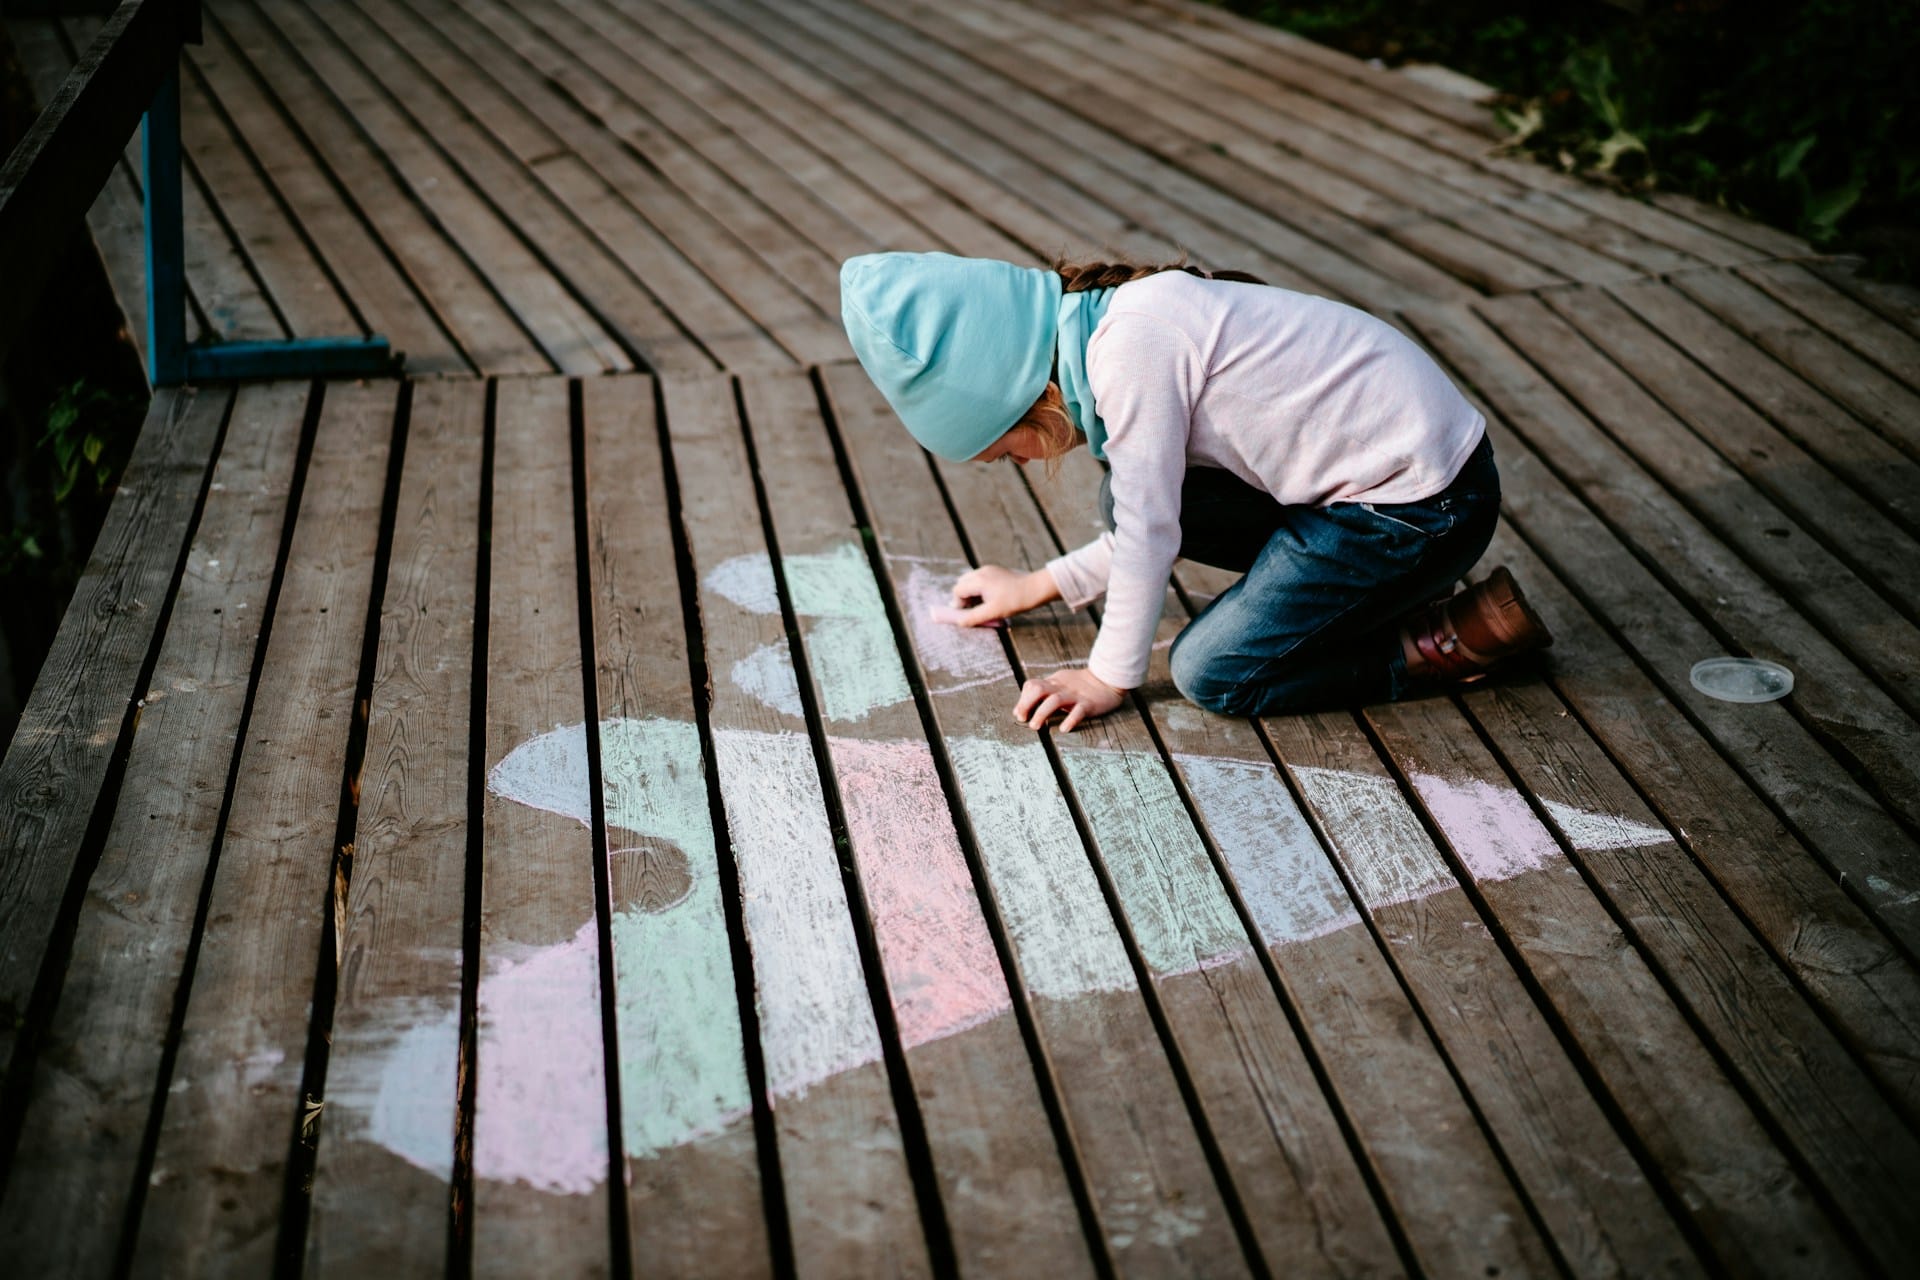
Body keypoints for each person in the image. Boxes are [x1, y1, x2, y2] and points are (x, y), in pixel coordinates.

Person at [839, 251, 1552, 732]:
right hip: (1390, 486)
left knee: (1211, 673)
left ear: (1031, 399)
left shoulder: (1131, 359)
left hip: (1420, 513)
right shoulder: (1119, 320)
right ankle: (1361, 598)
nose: (1020, 463)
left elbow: (1152, 533)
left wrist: (1105, 677)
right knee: (1120, 502)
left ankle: (1438, 643)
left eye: (1003, 451)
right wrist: (1039, 585)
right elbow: (1152, 518)